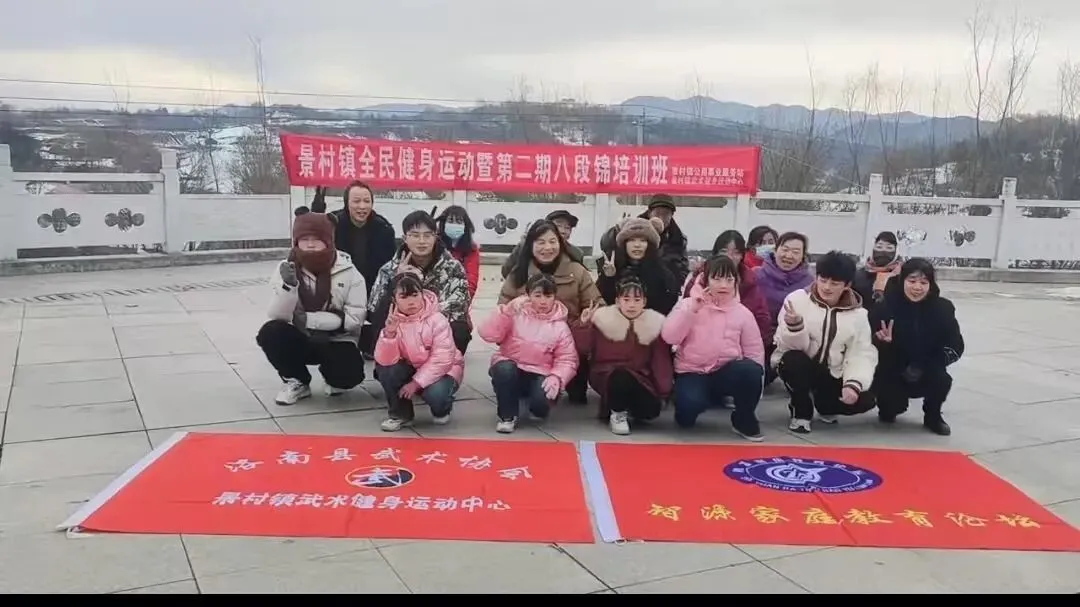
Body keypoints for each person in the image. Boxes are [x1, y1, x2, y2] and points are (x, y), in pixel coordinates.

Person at [257, 206, 368, 406]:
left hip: (337, 339)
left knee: (348, 376)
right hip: (300, 336)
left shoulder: (349, 271)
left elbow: (354, 319)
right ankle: (296, 380)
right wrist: (289, 287)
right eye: (304, 239)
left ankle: (333, 378)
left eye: (316, 239)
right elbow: (277, 315)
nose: (309, 244)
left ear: (328, 240)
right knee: (270, 332)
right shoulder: (285, 268)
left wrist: (309, 319)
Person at [663, 256, 767, 441]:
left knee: (751, 369)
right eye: (717, 279)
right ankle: (689, 403)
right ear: (706, 279)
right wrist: (691, 311)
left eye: (729, 279)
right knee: (688, 413)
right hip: (692, 371)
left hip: (724, 372)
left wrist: (753, 394)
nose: (723, 285)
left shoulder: (743, 313)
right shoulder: (688, 304)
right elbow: (670, 337)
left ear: (736, 281)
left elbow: (754, 352)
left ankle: (743, 419)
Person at [774, 251, 878, 434]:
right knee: (792, 361)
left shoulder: (859, 315)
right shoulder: (796, 300)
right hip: (802, 365)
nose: (827, 287)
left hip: (832, 373)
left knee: (866, 399)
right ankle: (801, 410)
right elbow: (785, 347)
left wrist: (853, 384)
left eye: (835, 283)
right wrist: (795, 327)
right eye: (822, 280)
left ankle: (826, 406)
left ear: (847, 285)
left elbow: (861, 353)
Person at [499, 219, 601, 404]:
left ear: (560, 243)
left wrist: (586, 319)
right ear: (530, 245)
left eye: (552, 241)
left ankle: (573, 381)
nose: (547, 248)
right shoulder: (518, 273)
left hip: (568, 339)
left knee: (576, 394)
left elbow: (596, 304)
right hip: (530, 345)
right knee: (533, 397)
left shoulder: (577, 271)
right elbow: (502, 311)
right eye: (540, 242)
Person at [869, 258, 964, 436]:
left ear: (931, 284)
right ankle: (889, 406)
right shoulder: (885, 306)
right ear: (902, 281)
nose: (917, 287)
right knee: (890, 409)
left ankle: (933, 415)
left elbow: (956, 345)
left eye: (923, 282)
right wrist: (881, 342)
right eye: (912, 281)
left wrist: (928, 364)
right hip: (893, 368)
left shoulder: (943, 309)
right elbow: (867, 344)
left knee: (941, 379)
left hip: (927, 366)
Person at [480, 274, 579, 434]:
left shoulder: (560, 326)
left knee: (540, 405)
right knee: (504, 369)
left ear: (555, 297)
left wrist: (557, 377)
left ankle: (538, 405)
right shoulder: (515, 313)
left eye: (548, 296)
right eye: (537, 295)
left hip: (540, 372)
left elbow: (567, 359)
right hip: (512, 366)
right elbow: (488, 334)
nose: (543, 301)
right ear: (528, 295)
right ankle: (507, 416)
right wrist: (506, 311)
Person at [573, 277, 674, 435]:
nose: (631, 305)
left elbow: (660, 360)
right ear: (617, 301)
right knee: (620, 376)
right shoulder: (603, 320)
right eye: (626, 300)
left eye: (637, 300)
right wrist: (584, 324)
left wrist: (664, 390)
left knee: (651, 410)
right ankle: (618, 414)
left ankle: (618, 405)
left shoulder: (653, 323)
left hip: (640, 377)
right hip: (606, 373)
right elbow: (583, 348)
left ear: (644, 302)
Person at [366, 210, 472, 355]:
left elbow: (459, 305)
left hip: (438, 333)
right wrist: (398, 281)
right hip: (401, 332)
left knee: (460, 329)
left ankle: (443, 363)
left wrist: (420, 291)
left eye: (427, 235)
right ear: (405, 238)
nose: (422, 241)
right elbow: (374, 309)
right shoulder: (389, 269)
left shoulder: (453, 267)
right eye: (415, 235)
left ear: (436, 237)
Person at [374, 273, 465, 432]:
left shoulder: (437, 319)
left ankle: (443, 408)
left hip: (444, 370)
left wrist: (415, 383)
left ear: (422, 294)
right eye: (404, 297)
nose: (411, 302)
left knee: (436, 394)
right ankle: (400, 414)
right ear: (394, 300)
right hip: (411, 367)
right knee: (386, 370)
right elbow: (385, 362)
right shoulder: (393, 321)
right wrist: (389, 334)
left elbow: (442, 359)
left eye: (415, 295)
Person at [683, 230, 771, 347]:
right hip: (700, 346)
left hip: (739, 347)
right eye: (724, 252)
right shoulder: (698, 281)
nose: (729, 257)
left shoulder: (750, 282)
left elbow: (762, 320)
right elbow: (684, 316)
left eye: (736, 253)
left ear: (742, 256)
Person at [316, 182, 397, 296]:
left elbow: (389, 267)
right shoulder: (332, 225)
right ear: (347, 203)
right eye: (356, 201)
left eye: (367, 201)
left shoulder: (384, 229)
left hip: (373, 291)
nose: (362, 206)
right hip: (338, 290)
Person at [754, 231, 814, 384]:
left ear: (803, 256)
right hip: (757, 338)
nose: (789, 256)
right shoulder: (756, 276)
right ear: (775, 250)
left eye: (795, 252)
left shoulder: (810, 283)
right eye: (785, 249)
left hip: (789, 340)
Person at [596, 217, 680, 314]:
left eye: (643, 240)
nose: (637, 245)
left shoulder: (661, 271)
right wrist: (608, 278)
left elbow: (668, 302)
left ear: (650, 244)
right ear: (624, 244)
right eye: (632, 240)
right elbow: (603, 301)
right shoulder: (614, 267)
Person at [601, 194, 690, 285]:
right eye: (657, 213)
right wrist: (616, 230)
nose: (661, 218)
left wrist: (671, 280)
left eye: (666, 214)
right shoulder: (635, 228)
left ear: (672, 215)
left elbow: (682, 271)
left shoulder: (678, 239)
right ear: (649, 213)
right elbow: (606, 244)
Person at [500, 209, 585, 278]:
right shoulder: (525, 246)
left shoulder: (576, 253)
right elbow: (506, 273)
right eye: (558, 226)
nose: (563, 231)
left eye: (567, 228)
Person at [436, 205, 480, 301]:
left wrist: (461, 300)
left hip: (460, 299)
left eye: (459, 221)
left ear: (465, 225)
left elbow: (472, 279)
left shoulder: (472, 249)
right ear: (444, 223)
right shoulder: (435, 245)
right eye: (450, 221)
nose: (454, 224)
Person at [853, 231, 902, 310]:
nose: (883, 251)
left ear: (896, 251)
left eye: (889, 248)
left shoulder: (902, 275)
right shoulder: (858, 275)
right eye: (879, 247)